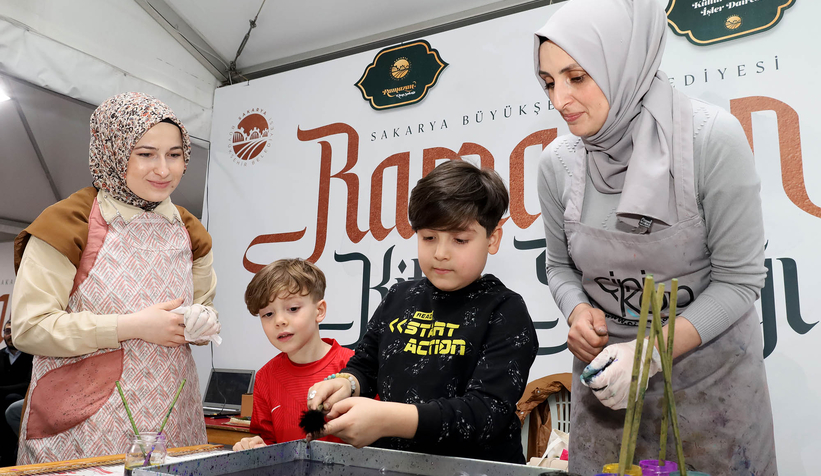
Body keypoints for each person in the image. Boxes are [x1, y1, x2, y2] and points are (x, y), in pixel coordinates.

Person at [534, 0, 777, 475]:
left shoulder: (710, 140)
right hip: (605, 386)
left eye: (577, 77)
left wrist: (646, 356)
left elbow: (739, 280)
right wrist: (579, 310)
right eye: (548, 82)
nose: (559, 99)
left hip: (709, 390)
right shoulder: (557, 164)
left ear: (624, 61)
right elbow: (559, 266)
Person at [11, 92, 221, 464]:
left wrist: (200, 323)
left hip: (171, 416)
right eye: (145, 154)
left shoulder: (190, 231)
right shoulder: (67, 222)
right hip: (85, 421)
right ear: (112, 151)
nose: (163, 169)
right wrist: (131, 326)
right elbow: (30, 328)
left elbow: (202, 305)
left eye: (175, 154)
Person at [307, 160, 538, 464]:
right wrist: (347, 383)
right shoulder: (400, 297)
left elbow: (484, 414)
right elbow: (365, 366)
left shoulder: (505, 311)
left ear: (492, 239)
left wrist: (389, 419)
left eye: (460, 240)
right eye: (429, 238)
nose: (441, 252)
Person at [232, 258, 353, 451]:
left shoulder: (354, 368)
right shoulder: (265, 377)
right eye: (268, 314)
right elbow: (268, 442)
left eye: (293, 309)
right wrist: (257, 448)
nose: (279, 321)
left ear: (319, 311)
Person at [0, 320, 32, 466]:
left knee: (11, 400)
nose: (10, 335)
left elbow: (28, 384)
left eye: (14, 331)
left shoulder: (32, 356)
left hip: (21, 402)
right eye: (7, 331)